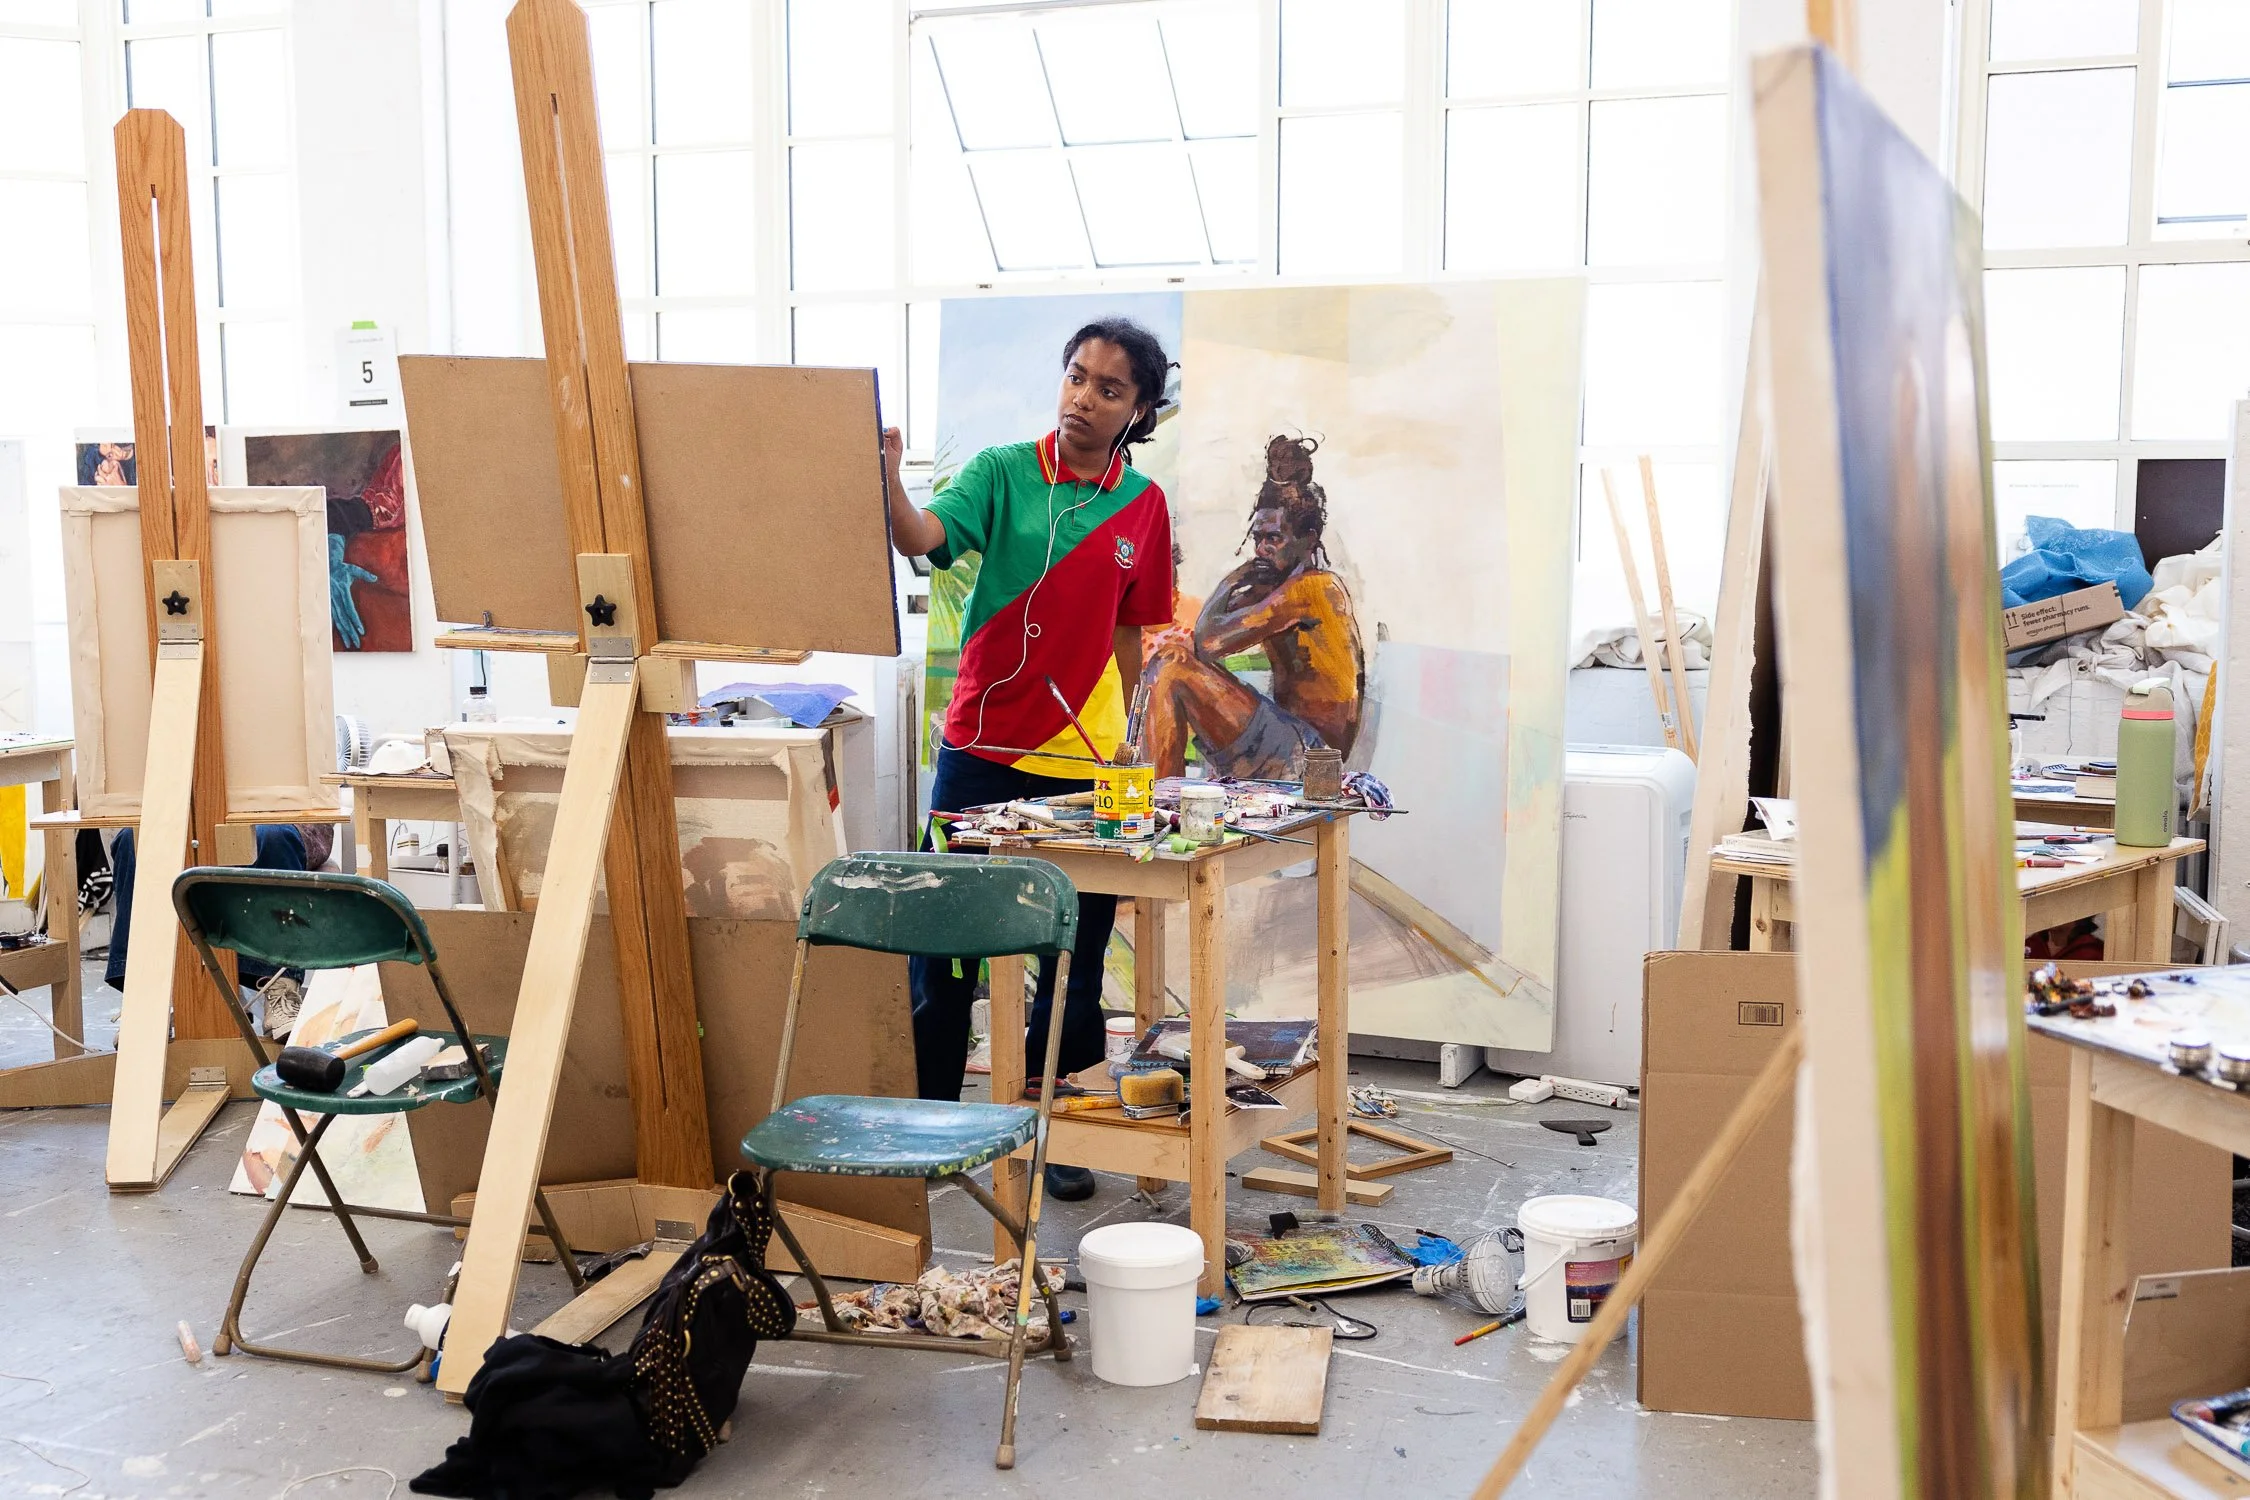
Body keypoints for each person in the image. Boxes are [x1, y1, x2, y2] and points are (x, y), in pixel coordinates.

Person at [884, 317, 1176, 1203]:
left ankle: (1062, 1130)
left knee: (1074, 956)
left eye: (1109, 389)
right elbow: (923, 539)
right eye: (1077, 377)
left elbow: (1135, 624)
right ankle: (931, 1128)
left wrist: (1138, 742)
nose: (1084, 398)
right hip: (980, 747)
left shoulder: (1142, 506)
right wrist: (887, 479)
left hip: (1081, 764)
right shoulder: (1004, 472)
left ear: (1139, 409)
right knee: (947, 949)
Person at [1142, 434, 1365, 779]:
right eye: (1257, 538)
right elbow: (1203, 647)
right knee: (1168, 663)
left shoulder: (1316, 589)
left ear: (1307, 541)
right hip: (1290, 743)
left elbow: (1208, 641)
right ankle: (1163, 793)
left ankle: (1161, 800)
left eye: (1273, 539)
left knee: (1170, 665)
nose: (1262, 549)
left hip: (1313, 759)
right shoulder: (1276, 588)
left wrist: (1232, 580)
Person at [105, 822, 334, 1037]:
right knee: (132, 839)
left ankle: (279, 983)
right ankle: (146, 996)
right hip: (182, 817)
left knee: (271, 836)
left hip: (283, 813)